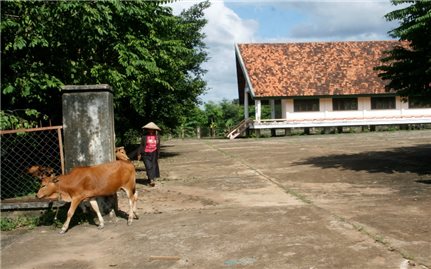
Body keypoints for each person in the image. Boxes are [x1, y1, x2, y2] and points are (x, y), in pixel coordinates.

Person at [139, 122, 161, 187]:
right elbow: (141, 146)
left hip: (154, 153)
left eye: (152, 129)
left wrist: (158, 154)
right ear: (147, 129)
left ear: (154, 130)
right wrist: (139, 153)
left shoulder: (157, 137)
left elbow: (158, 146)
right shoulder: (144, 137)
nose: (150, 130)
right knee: (148, 166)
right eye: (149, 129)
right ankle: (151, 180)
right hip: (145, 153)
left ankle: (151, 178)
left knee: (153, 166)